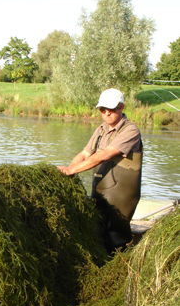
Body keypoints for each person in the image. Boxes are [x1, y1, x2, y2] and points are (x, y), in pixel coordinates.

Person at [57, 88, 143, 253]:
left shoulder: (130, 131)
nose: (106, 113)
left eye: (110, 109)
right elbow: (85, 153)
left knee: (115, 235)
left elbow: (105, 155)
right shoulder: (101, 130)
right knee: (98, 230)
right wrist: (69, 169)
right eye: (102, 109)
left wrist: (72, 170)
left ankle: (119, 265)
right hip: (101, 190)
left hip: (121, 195)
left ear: (121, 107)